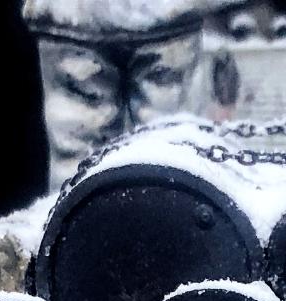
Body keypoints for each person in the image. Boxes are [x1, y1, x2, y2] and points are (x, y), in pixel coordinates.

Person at [23, 1, 239, 186]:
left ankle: (74, 217)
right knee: (168, 143)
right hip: (166, 16)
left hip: (71, 15)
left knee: (77, 153)